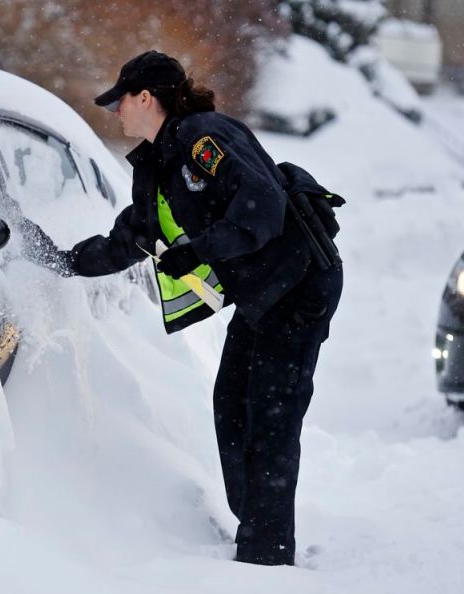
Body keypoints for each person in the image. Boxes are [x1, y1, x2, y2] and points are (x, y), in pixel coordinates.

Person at [26, 50, 344, 566]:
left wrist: (198, 250)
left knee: (270, 417)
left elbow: (263, 208)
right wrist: (58, 261)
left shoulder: (204, 137)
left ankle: (266, 554)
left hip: (300, 285)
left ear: (146, 98)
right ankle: (256, 526)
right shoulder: (157, 165)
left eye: (120, 101)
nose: (115, 112)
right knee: (232, 406)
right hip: (264, 294)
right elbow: (129, 240)